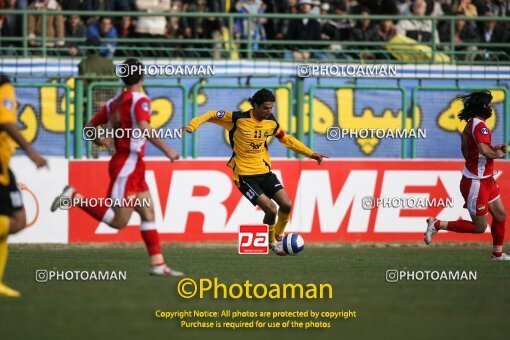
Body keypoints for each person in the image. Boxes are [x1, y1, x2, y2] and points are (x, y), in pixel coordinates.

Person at [51, 58, 183, 276]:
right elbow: (144, 126)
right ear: (142, 76)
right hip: (127, 166)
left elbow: (89, 127)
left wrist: (102, 141)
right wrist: (167, 150)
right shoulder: (141, 100)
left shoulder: (114, 102)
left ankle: (158, 265)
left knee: (148, 213)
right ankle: (75, 197)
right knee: (118, 221)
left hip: (132, 165)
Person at [184, 89, 328, 255]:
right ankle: (272, 242)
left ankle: (279, 235)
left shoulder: (271, 123)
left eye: (271, 108)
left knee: (287, 205)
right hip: (245, 177)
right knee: (271, 209)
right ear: (255, 105)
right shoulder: (238, 119)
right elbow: (212, 114)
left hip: (264, 172)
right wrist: (193, 126)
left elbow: (286, 139)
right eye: (265, 108)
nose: (269, 112)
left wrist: (310, 153)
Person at [425, 90, 509, 260]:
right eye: (488, 104)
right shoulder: (479, 125)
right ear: (482, 106)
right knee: (479, 228)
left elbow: (466, 149)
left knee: (500, 214)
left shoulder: (471, 124)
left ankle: (497, 254)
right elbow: (482, 150)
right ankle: (437, 224)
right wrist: (495, 154)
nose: (490, 108)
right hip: (476, 183)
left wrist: (491, 151)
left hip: (486, 180)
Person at [0, 74, 48, 297]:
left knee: (16, 221)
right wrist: (31, 152)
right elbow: (7, 122)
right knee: (15, 221)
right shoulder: (3, 84)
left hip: (4, 166)